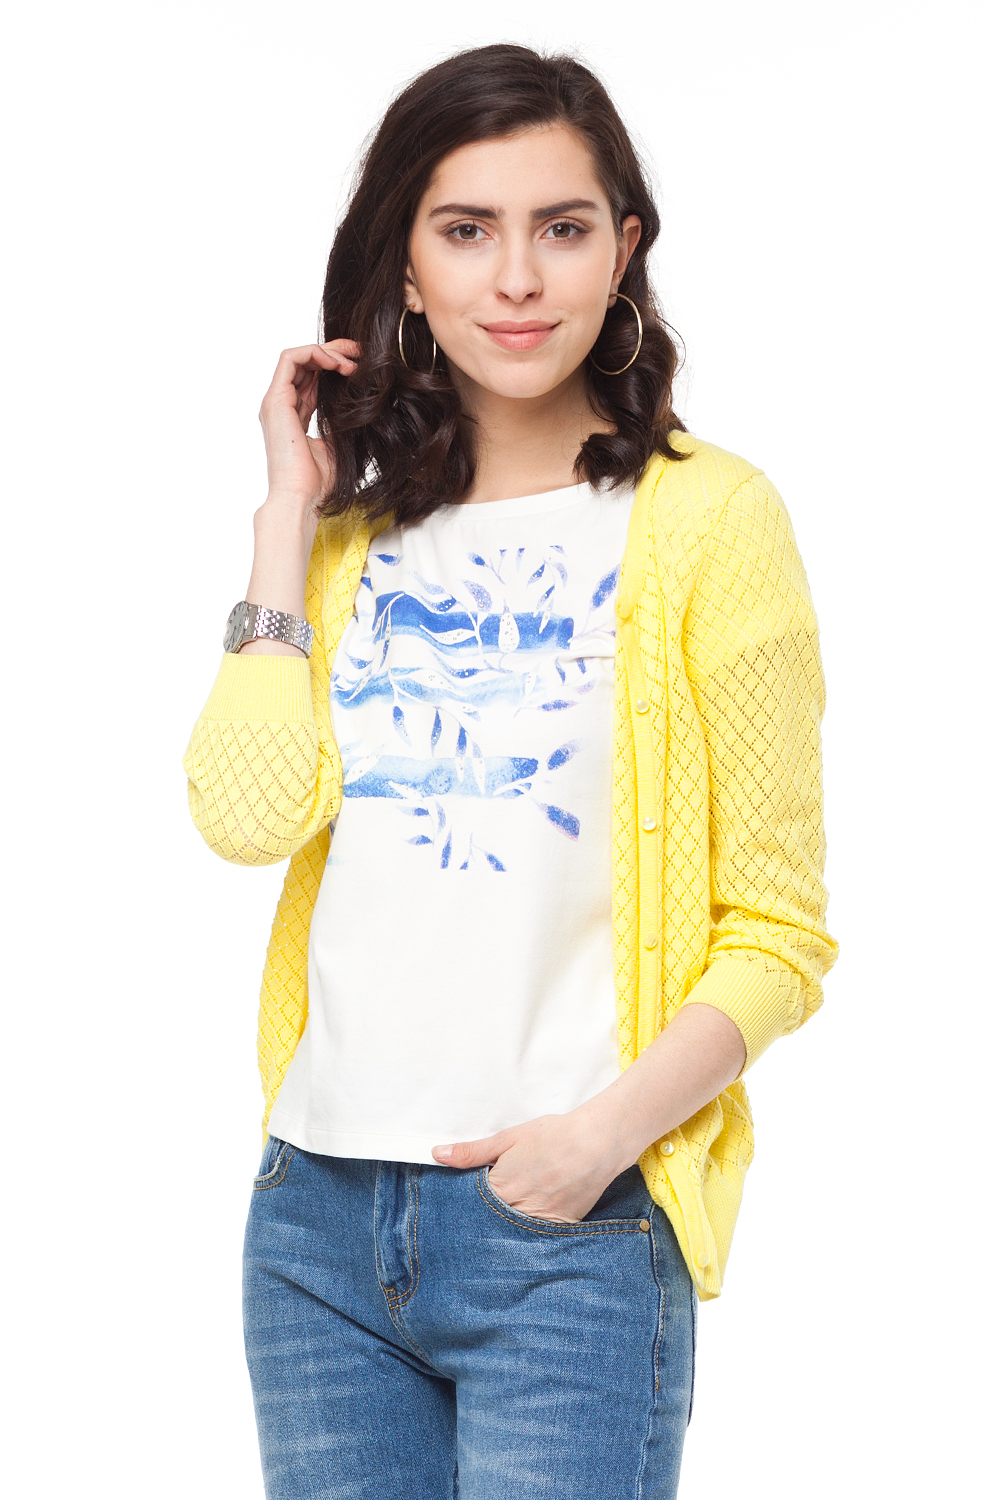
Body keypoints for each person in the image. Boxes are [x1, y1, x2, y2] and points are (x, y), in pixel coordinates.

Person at [183, 42, 837, 1500]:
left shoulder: (711, 522)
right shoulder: (347, 545)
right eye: (467, 231)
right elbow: (248, 818)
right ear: (408, 272)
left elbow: (779, 933)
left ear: (625, 250)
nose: (520, 278)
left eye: (564, 227)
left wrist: (598, 1144)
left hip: (569, 1235)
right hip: (315, 1226)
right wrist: (286, 521)